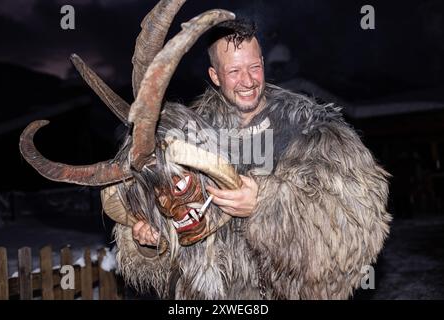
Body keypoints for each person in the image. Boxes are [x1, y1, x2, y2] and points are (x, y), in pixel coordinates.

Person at [121, 19, 391, 299]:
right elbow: (172, 222)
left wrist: (266, 203)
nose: (248, 81)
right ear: (215, 76)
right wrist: (149, 242)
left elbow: (359, 220)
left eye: (254, 67)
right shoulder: (187, 136)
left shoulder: (310, 129)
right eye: (234, 71)